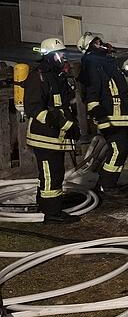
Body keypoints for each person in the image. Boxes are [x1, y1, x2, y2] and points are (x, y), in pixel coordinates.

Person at [22, 38, 80, 223]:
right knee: (50, 174)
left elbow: (63, 106)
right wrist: (62, 123)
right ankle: (51, 214)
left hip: (56, 137)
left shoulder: (57, 77)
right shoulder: (37, 77)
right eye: (59, 54)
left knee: (55, 172)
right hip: (44, 136)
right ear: (49, 56)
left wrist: (70, 125)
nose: (63, 58)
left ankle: (47, 205)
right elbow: (34, 108)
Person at [76, 32, 128, 194]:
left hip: (121, 116)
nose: (100, 43)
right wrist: (100, 116)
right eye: (96, 42)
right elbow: (90, 94)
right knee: (118, 149)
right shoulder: (90, 65)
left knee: (121, 149)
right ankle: (106, 184)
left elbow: (120, 89)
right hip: (108, 117)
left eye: (100, 40)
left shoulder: (108, 62)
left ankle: (109, 183)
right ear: (88, 48)